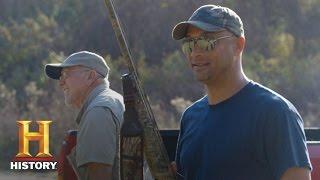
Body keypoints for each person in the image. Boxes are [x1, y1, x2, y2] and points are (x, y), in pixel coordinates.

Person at [170, 4, 312, 180]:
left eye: (207, 41)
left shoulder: (275, 113)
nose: (196, 52)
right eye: (189, 43)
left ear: (238, 45)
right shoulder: (191, 117)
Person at [45, 51, 125, 180]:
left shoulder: (98, 112)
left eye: (66, 74)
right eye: (60, 77)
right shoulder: (111, 101)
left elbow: (99, 176)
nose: (61, 83)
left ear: (90, 76)